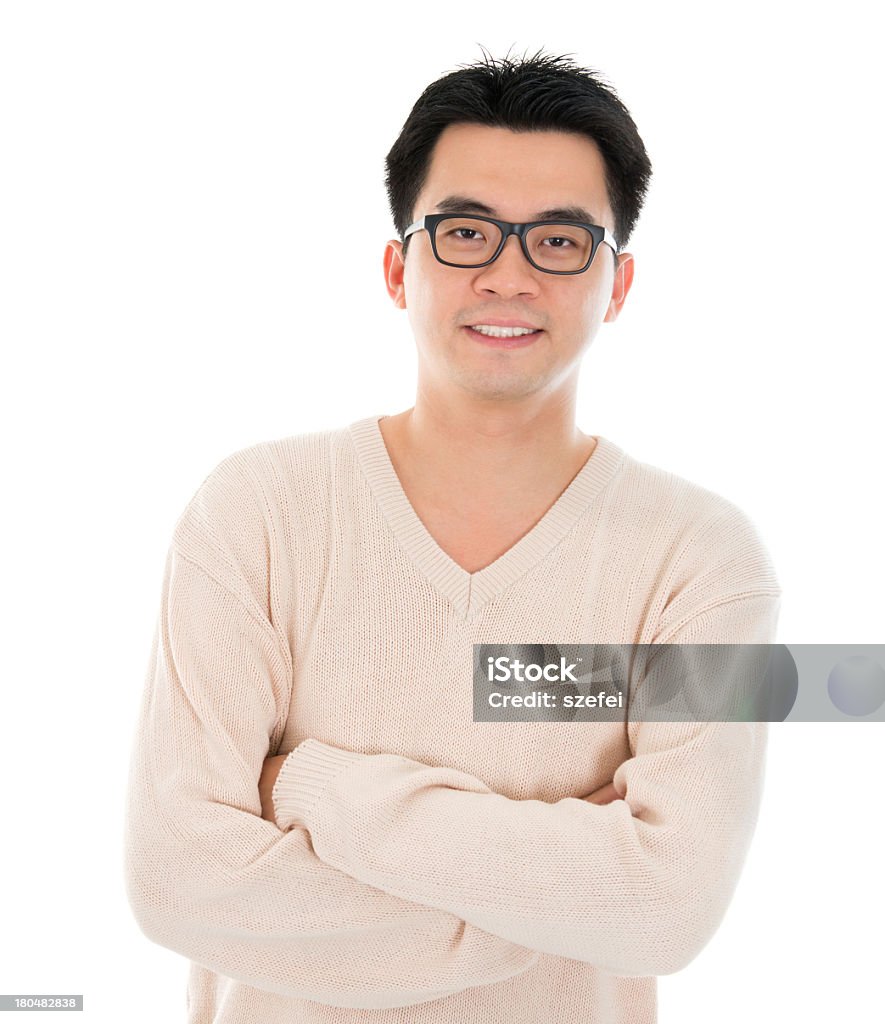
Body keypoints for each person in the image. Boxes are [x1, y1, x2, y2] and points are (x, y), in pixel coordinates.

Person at [124, 51, 781, 1024]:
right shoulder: (255, 513)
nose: (508, 275)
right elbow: (177, 877)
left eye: (559, 241)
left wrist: (316, 787)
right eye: (466, 232)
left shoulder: (704, 562)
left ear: (620, 281)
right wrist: (555, 904)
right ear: (399, 266)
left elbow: (670, 909)